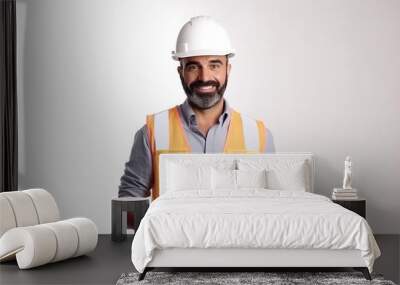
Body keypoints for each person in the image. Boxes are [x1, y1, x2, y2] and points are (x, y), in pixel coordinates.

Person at [119, 16, 275, 200]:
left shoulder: (258, 136)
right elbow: (129, 206)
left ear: (228, 69)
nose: (204, 77)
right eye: (194, 67)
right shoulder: (152, 133)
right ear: (181, 72)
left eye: (214, 65)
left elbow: (270, 205)